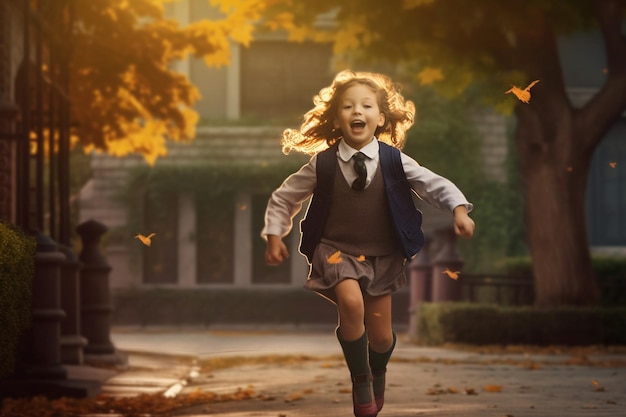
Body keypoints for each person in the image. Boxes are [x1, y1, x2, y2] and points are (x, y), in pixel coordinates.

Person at [262, 70, 475, 417]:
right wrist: (274, 235)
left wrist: (459, 209)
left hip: (383, 255)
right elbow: (285, 198)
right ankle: (360, 378)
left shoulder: (394, 161)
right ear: (336, 117)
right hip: (335, 249)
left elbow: (432, 183)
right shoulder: (324, 164)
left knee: (381, 338)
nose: (357, 112)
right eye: (347, 106)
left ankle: (378, 369)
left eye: (366, 106)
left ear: (380, 117)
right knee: (350, 301)